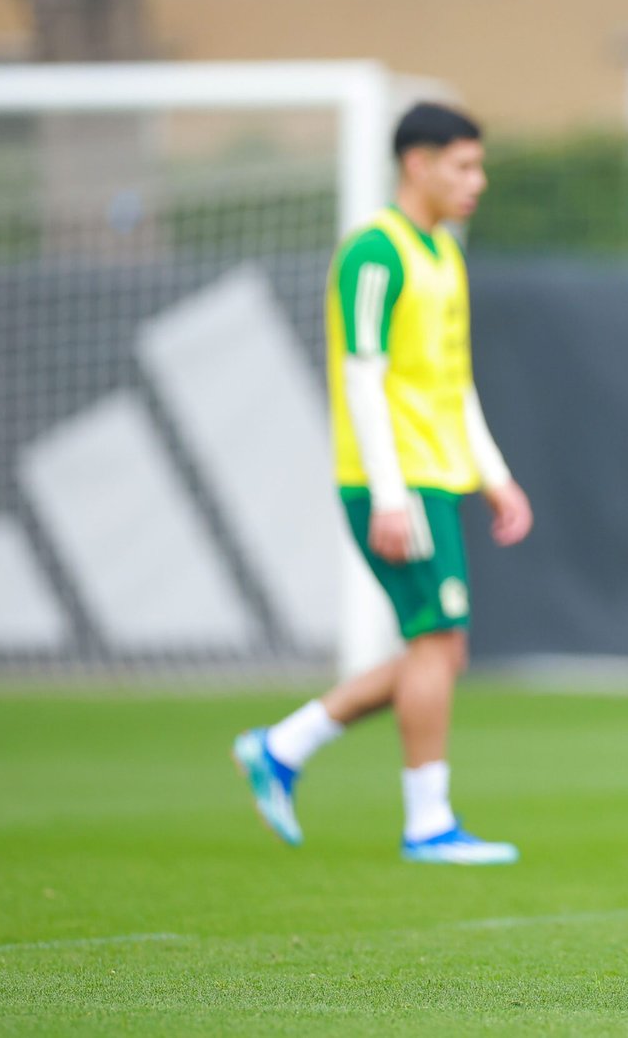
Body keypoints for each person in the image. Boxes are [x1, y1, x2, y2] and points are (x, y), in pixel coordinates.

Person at [233, 102, 533, 865]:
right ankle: (427, 823)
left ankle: (282, 746)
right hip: (397, 484)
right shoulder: (375, 252)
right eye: (464, 165)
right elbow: (361, 377)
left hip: (435, 479)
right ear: (417, 164)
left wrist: (495, 476)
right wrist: (391, 492)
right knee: (437, 644)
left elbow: (452, 382)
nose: (478, 181)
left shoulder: (443, 254)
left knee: (440, 647)